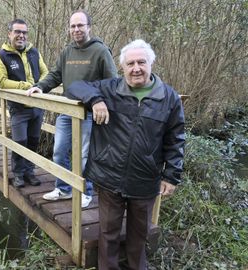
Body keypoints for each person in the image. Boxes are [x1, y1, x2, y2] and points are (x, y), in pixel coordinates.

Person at [66, 39, 185, 270]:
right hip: (110, 176)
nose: (136, 68)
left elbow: (176, 138)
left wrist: (171, 176)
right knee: (108, 233)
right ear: (122, 67)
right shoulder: (109, 89)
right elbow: (74, 86)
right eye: (130, 63)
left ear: (151, 64)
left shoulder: (169, 98)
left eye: (141, 62)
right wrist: (96, 99)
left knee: (139, 235)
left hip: (145, 178)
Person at [26, 10, 118, 207]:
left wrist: (101, 103)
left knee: (85, 155)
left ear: (89, 27)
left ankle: (86, 191)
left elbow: (112, 83)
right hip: (67, 110)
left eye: (80, 25)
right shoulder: (67, 51)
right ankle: (63, 188)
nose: (76, 29)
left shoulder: (101, 51)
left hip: (89, 113)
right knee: (59, 151)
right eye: (73, 26)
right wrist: (40, 87)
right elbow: (56, 74)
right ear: (69, 29)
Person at [0, 19, 49, 188]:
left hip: (37, 107)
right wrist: (24, 86)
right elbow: (2, 82)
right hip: (18, 108)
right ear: (9, 33)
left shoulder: (34, 52)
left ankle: (29, 172)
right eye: (17, 32)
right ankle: (18, 174)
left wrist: (39, 86)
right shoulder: (2, 55)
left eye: (24, 32)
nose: (21, 36)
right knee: (20, 142)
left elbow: (46, 72)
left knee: (33, 141)